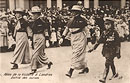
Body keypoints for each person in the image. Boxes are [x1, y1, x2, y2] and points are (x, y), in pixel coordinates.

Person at [59, 5, 89, 78]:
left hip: (81, 37)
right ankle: (85, 67)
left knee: (76, 54)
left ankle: (70, 70)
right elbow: (66, 29)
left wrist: (89, 40)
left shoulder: (83, 20)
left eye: (75, 11)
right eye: (72, 11)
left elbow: (86, 30)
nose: (73, 13)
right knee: (78, 53)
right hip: (73, 38)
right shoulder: (71, 20)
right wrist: (62, 37)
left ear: (78, 12)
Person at [88, 17, 121, 83]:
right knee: (110, 62)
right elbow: (99, 41)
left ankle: (104, 77)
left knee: (107, 62)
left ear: (112, 25)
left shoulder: (115, 33)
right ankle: (115, 74)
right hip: (106, 50)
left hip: (113, 50)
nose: (107, 26)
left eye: (108, 24)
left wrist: (118, 52)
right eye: (106, 24)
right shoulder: (104, 33)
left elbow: (118, 44)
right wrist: (92, 48)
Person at [30, 6, 53, 74]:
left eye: (34, 14)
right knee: (40, 54)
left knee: (35, 54)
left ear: (38, 14)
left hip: (40, 37)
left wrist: (47, 40)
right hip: (35, 37)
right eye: (33, 14)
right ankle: (48, 62)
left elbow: (46, 31)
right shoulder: (33, 22)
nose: (33, 15)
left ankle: (33, 68)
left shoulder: (42, 22)